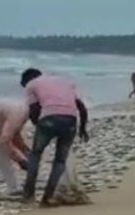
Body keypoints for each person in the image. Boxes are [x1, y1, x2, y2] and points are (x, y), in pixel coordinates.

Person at [20, 68, 89, 207]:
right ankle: (47, 198)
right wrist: (82, 128)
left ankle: (29, 195)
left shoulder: (31, 85)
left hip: (48, 119)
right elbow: (81, 107)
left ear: (27, 79)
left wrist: (38, 125)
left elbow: (34, 109)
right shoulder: (65, 82)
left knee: (35, 156)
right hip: (70, 120)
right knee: (60, 161)